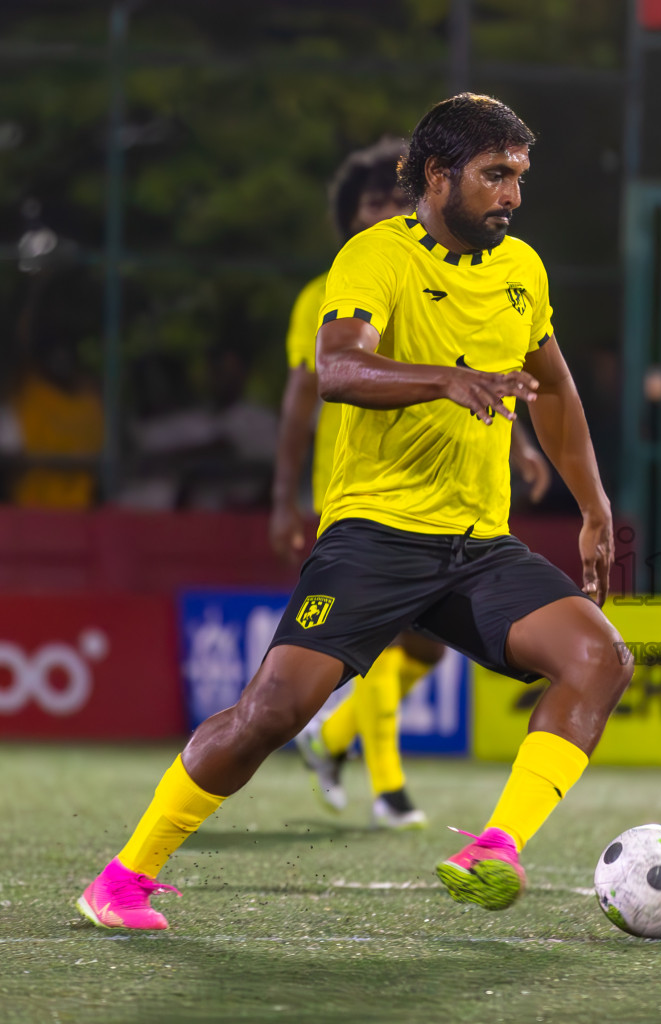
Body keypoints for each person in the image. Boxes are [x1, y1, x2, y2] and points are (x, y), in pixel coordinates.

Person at [77, 93, 630, 931]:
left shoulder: (524, 270)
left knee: (599, 656)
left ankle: (496, 848)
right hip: (373, 536)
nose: (512, 196)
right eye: (494, 176)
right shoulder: (374, 257)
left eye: (519, 176)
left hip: (478, 543)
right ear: (438, 176)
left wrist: (593, 506)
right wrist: (445, 377)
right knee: (271, 714)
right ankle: (122, 877)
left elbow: (551, 386)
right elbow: (337, 371)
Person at [271, 139, 549, 829]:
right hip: (367, 490)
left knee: (422, 645)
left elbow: (466, 365)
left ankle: (330, 740)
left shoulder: (454, 273)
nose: (381, 212)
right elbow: (304, 396)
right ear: (347, 213)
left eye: (390, 201)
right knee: (388, 637)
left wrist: (517, 438)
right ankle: (389, 788)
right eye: (368, 202)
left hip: (450, 489)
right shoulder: (329, 291)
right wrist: (283, 495)